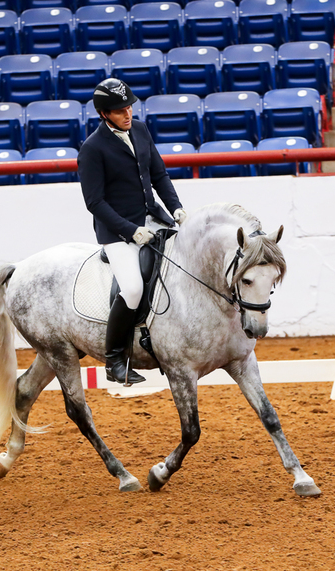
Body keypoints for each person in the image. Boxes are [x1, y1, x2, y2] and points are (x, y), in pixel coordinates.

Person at [78, 78, 187, 385]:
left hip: (152, 218)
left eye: (128, 107)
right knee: (133, 288)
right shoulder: (92, 149)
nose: (127, 113)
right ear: (103, 114)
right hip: (116, 232)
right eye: (118, 110)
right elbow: (94, 202)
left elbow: (159, 174)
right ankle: (114, 360)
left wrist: (176, 208)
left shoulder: (139, 130)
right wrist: (130, 231)